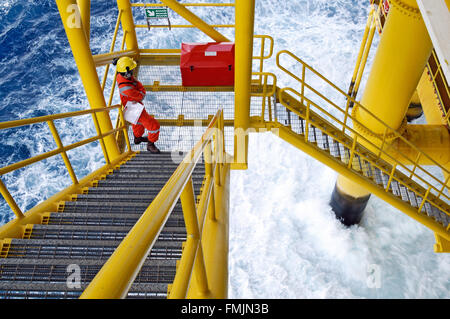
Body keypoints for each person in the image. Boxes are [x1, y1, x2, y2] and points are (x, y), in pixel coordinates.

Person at [112, 56, 160, 154]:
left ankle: (137, 138)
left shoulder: (120, 74)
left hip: (129, 106)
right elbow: (141, 95)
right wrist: (139, 87)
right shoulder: (127, 89)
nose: (134, 70)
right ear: (127, 73)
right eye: (132, 70)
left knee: (137, 122)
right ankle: (150, 145)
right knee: (154, 126)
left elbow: (123, 66)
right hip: (134, 106)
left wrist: (119, 61)